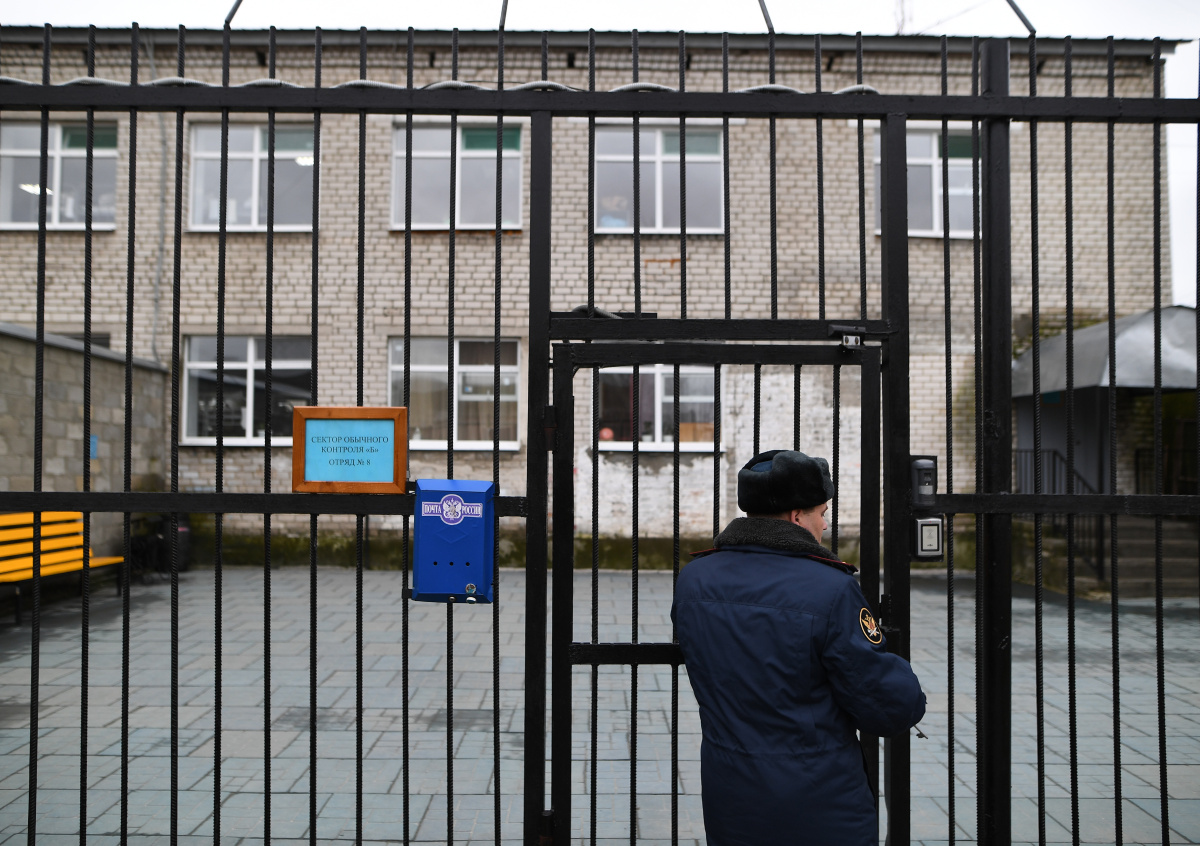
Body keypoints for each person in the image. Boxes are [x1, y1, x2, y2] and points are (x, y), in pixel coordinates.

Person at [671, 449, 926, 846]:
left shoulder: (694, 579)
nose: (824, 524)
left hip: (730, 796)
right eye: (821, 513)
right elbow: (886, 707)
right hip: (818, 802)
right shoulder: (831, 588)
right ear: (796, 517)